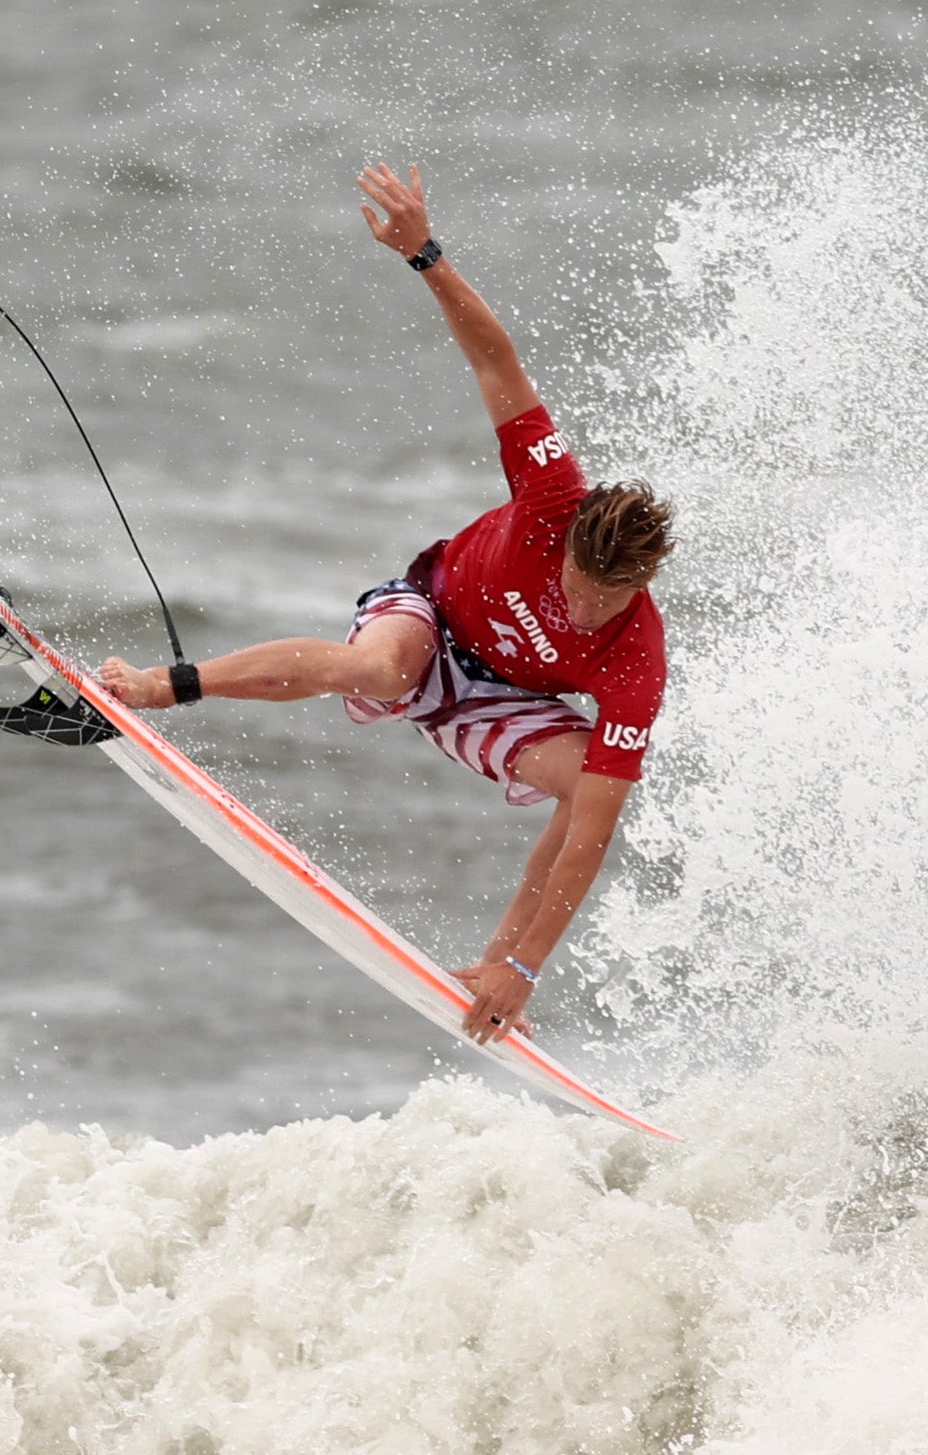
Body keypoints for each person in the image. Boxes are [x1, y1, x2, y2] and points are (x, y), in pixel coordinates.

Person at [96, 164, 673, 1046]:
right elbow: (495, 358)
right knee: (374, 666)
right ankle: (157, 689)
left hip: (499, 703)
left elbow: (594, 829)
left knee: (591, 784)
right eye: (578, 592)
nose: (588, 616)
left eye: (609, 604)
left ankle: (495, 966)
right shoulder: (553, 491)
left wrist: (524, 967)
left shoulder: (638, 659)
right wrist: (424, 255)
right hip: (430, 617)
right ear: (568, 545)